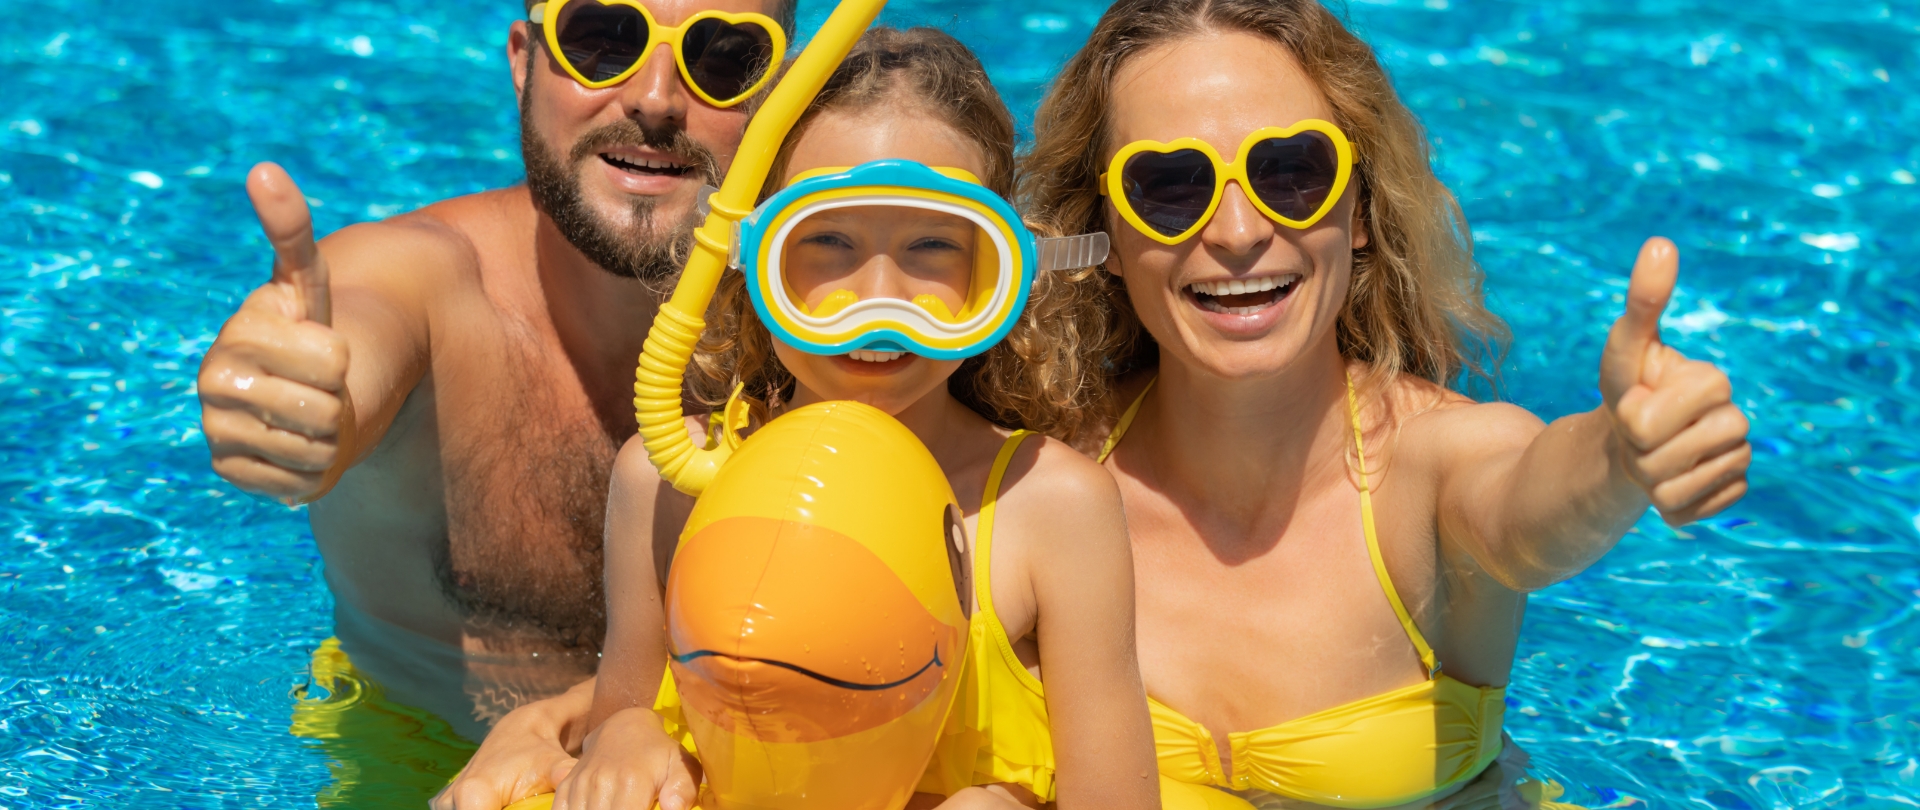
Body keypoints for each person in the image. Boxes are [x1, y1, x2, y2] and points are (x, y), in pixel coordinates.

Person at [1018, 0, 1752, 807]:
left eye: (1291, 172)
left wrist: (1621, 455)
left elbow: (1528, 515)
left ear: (1359, 210)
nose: (1235, 231)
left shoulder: (1430, 469)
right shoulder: (1044, 478)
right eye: (1169, 186)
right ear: (1108, 236)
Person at [438, 27, 1162, 810]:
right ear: (749, 255)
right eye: (826, 241)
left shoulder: (1050, 507)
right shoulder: (665, 483)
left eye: (932, 245)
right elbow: (623, 714)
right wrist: (626, 737)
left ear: (1000, 269)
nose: (879, 298)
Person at [195, 0, 794, 748]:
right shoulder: (425, 286)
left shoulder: (827, 327)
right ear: (524, 61)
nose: (655, 100)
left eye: (725, 58)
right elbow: (355, 334)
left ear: (782, 92)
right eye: (604, 39)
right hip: (419, 765)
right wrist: (297, 397)